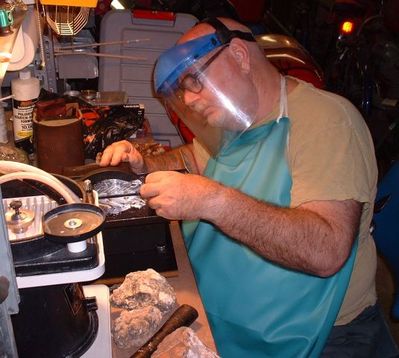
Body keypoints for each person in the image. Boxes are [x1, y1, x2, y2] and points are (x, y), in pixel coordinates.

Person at [99, 17, 399, 357]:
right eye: (181, 90)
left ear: (240, 56)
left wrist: (210, 201)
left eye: (194, 81)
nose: (189, 99)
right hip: (236, 311)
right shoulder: (234, 120)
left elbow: (325, 250)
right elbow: (193, 157)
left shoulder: (327, 121)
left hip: (326, 332)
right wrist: (144, 164)